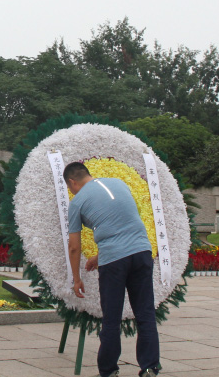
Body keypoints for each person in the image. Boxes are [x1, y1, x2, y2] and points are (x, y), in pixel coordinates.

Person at [65, 161, 161, 377]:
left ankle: (109, 370)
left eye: (69, 188)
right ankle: (150, 367)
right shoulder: (119, 183)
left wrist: (76, 279)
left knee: (111, 318)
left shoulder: (77, 202)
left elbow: (74, 247)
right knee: (145, 313)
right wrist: (99, 257)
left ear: (72, 182)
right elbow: (123, 223)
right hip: (142, 252)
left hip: (114, 261)